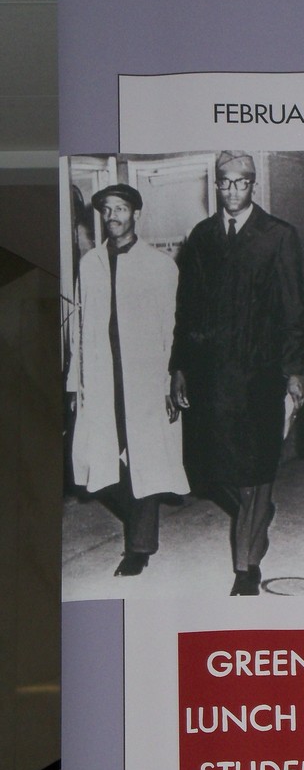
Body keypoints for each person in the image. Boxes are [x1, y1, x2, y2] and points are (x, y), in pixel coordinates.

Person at [170, 151, 304, 596]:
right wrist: (179, 367)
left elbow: (295, 310)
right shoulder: (203, 236)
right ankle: (259, 514)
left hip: (260, 375)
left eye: (241, 182)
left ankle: (246, 566)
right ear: (217, 185)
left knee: (255, 469)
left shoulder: (278, 235)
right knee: (208, 469)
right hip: (211, 375)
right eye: (225, 182)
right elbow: (187, 309)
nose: (233, 191)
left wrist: (295, 370)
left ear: (253, 185)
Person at [67, 184, 189, 576]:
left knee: (144, 456)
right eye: (107, 209)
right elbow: (80, 329)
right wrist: (75, 384)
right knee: (97, 460)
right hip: (102, 378)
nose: (113, 216)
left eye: (120, 208)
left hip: (145, 379)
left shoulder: (159, 265)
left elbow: (173, 328)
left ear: (136, 214)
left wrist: (171, 381)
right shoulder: (90, 264)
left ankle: (139, 547)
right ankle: (139, 520)